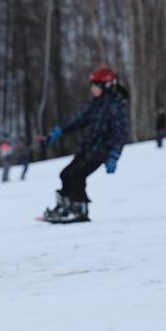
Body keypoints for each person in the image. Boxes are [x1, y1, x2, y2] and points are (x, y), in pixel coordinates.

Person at [42, 65, 129, 223]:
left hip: (100, 152)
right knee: (66, 174)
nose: (92, 89)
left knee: (77, 175)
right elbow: (79, 119)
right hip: (88, 149)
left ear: (106, 86)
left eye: (95, 85)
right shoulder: (97, 105)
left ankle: (79, 209)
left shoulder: (115, 106)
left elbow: (120, 134)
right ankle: (65, 207)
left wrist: (114, 156)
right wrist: (59, 131)